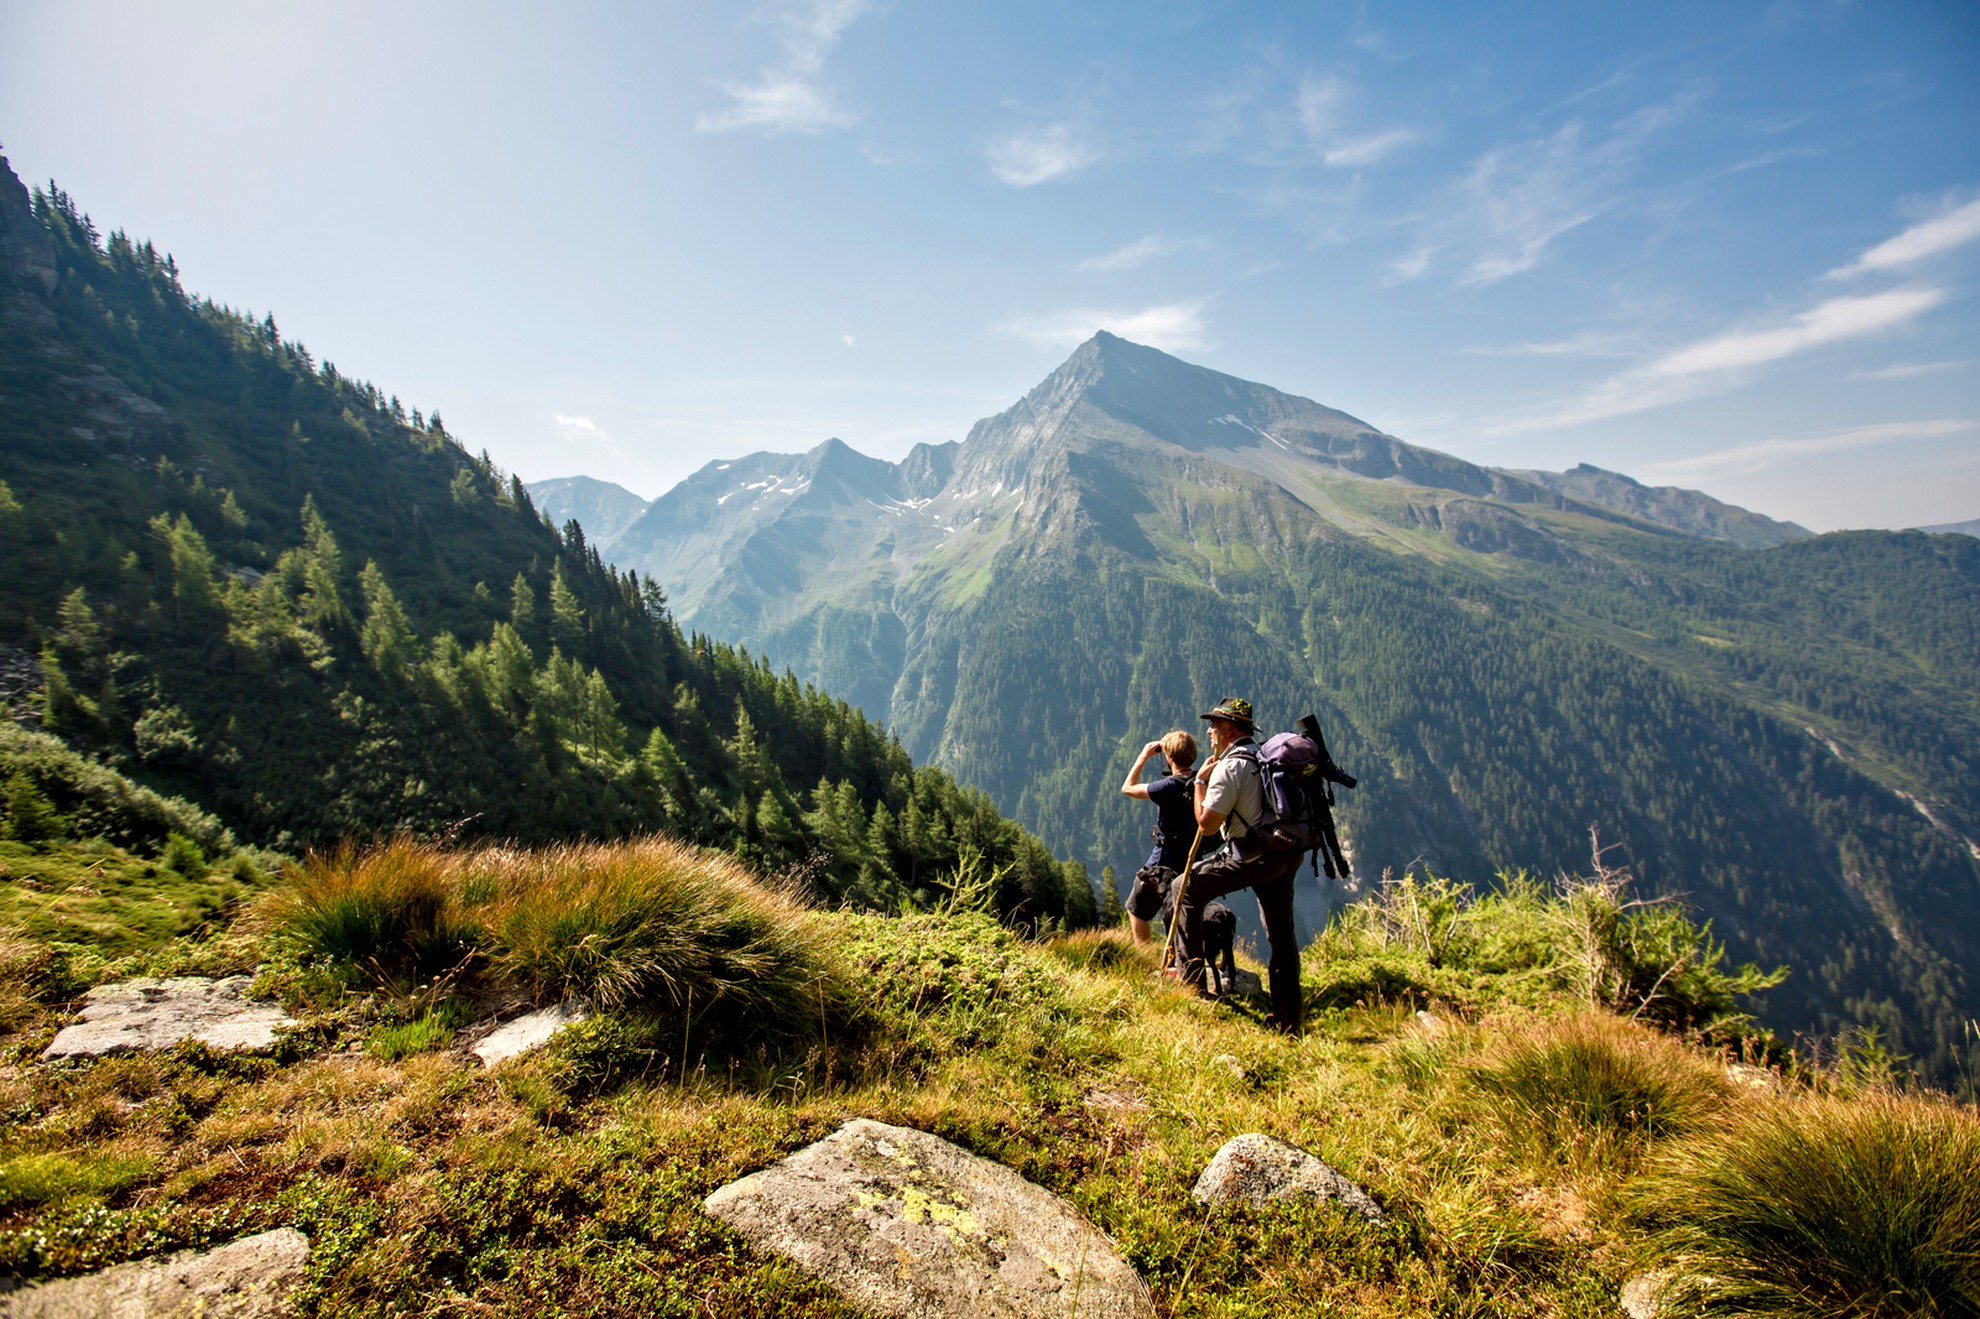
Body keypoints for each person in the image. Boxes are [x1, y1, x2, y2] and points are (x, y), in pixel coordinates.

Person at [1176, 696, 1304, 1033]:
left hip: (1251, 858)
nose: (1209, 733)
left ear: (1230, 729)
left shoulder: (1229, 767)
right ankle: (1289, 1018)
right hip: (1285, 854)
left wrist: (1200, 782)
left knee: (1183, 888)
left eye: (1214, 727)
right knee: (1282, 935)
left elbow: (1205, 824)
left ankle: (1191, 986)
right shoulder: (1263, 756)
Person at [1120, 729, 1198, 945]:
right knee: (1180, 908)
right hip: (1193, 856)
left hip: (1164, 859)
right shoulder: (1201, 780)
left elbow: (1127, 788)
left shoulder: (1168, 786)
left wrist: (1143, 756)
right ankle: (1182, 955)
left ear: (1168, 757)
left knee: (1136, 906)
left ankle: (1145, 956)